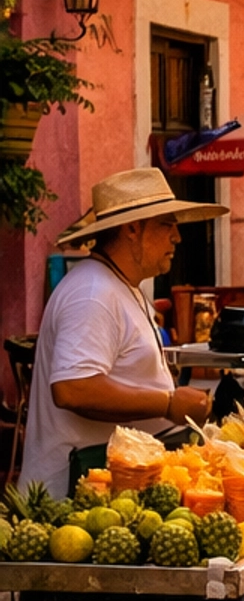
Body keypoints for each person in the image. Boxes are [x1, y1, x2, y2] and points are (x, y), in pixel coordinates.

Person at [22, 170, 220, 496]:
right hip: (74, 499)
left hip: (111, 492)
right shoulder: (92, 293)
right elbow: (73, 388)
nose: (177, 237)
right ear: (132, 228)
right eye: (167, 224)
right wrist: (168, 402)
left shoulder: (118, 287)